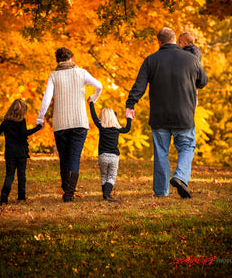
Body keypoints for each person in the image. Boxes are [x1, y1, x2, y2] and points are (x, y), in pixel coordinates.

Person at [125, 27, 208, 198]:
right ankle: (180, 177)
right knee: (186, 147)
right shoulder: (191, 59)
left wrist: (130, 104)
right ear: (176, 40)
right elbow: (203, 81)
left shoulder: (151, 60)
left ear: (159, 42)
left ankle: (162, 192)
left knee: (161, 152)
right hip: (184, 115)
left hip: (159, 116)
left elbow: (139, 86)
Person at [36, 47, 102, 202]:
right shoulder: (81, 73)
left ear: (58, 61)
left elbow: (46, 99)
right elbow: (99, 86)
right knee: (74, 157)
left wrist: (40, 118)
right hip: (79, 122)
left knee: (64, 158)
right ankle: (69, 194)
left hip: (60, 124)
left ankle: (67, 190)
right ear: (72, 59)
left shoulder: (54, 76)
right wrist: (93, 97)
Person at [0, 99, 43, 205]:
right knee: (21, 175)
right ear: (22, 110)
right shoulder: (21, 121)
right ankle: (21, 197)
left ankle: (4, 193)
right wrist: (38, 128)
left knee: (10, 174)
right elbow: (24, 133)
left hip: (10, 152)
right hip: (21, 152)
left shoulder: (6, 122)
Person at [88, 98, 132, 201]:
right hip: (113, 157)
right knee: (111, 176)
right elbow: (127, 129)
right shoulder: (117, 129)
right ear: (114, 118)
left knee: (104, 175)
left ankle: (105, 195)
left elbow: (94, 117)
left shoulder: (101, 127)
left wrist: (91, 104)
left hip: (102, 156)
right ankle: (107, 194)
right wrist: (129, 118)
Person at [178, 32, 202, 106]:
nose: (178, 44)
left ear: (184, 43)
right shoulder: (197, 52)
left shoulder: (185, 54)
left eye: (179, 42)